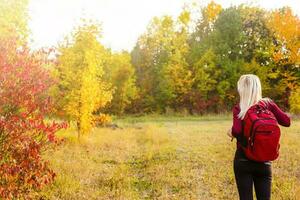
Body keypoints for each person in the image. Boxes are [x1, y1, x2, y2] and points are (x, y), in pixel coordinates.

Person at [227, 74, 291, 200]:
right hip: (264, 161)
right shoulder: (268, 104)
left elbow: (237, 131)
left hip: (243, 160)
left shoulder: (239, 108)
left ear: (241, 90)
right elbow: (286, 121)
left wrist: (230, 132)